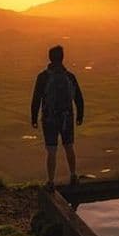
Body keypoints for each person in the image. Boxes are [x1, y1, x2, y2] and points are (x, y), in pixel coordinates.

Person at [31, 45, 84, 191]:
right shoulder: (69, 77)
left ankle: (50, 181)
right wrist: (80, 115)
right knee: (69, 147)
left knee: (52, 151)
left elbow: (36, 98)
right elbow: (78, 97)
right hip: (67, 118)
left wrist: (34, 118)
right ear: (63, 57)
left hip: (49, 119)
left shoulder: (43, 77)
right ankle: (73, 175)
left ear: (49, 58)